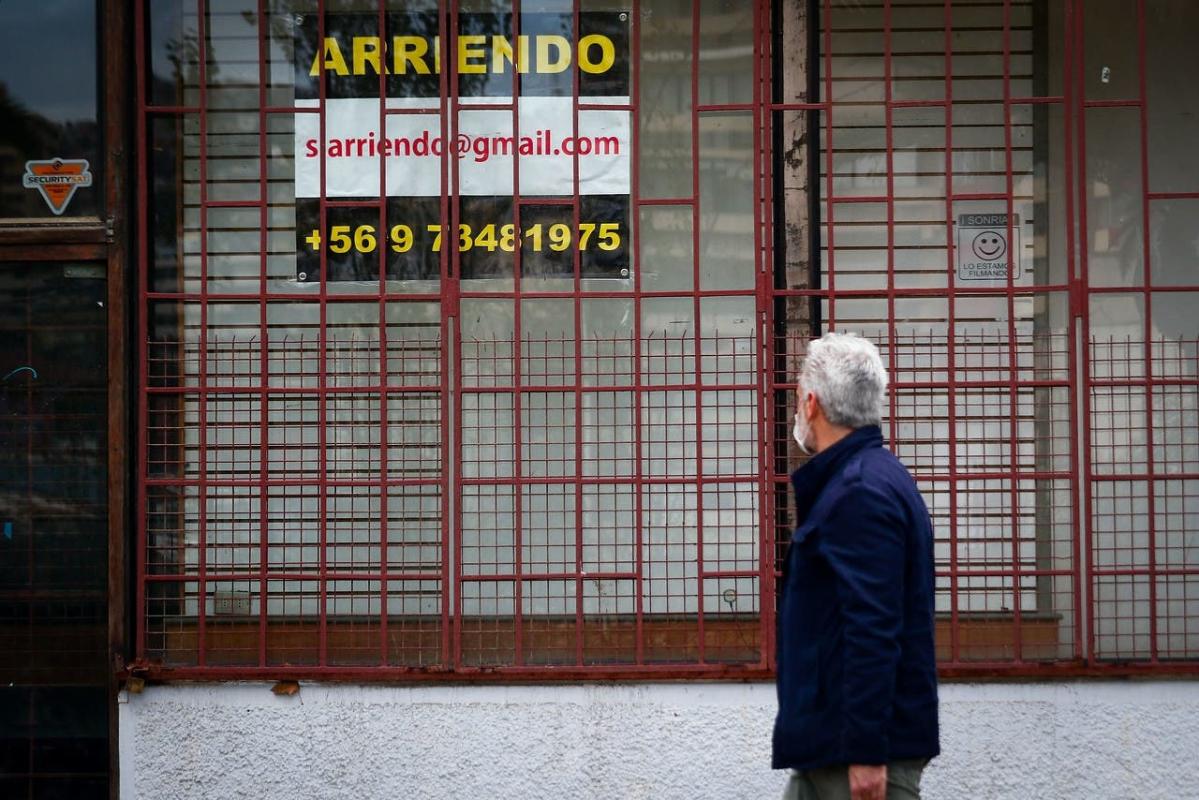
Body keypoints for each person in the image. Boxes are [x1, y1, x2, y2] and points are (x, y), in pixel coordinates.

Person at [773, 332, 939, 800]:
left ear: (811, 403)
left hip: (854, 755)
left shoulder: (859, 491)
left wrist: (866, 751)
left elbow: (872, 625)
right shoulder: (862, 479)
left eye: (798, 398)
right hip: (829, 746)